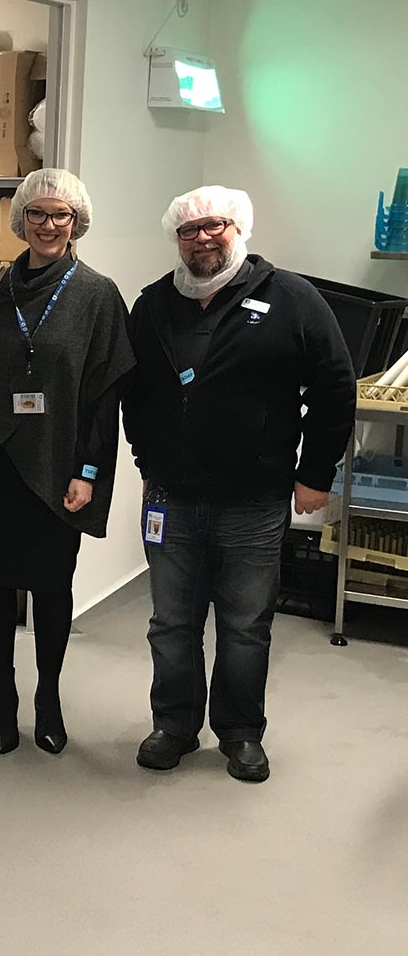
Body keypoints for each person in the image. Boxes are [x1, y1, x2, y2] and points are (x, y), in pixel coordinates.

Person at [124, 186, 354, 783]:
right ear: (175, 238)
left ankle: (241, 733)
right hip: (170, 497)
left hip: (254, 498)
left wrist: (315, 474)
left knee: (246, 623)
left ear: (240, 229)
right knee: (171, 622)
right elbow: (133, 391)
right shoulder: (152, 305)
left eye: (215, 225)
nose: (202, 237)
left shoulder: (292, 298)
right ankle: (174, 725)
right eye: (189, 229)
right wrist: (145, 455)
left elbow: (335, 387)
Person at [0, 168, 135, 756]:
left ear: (76, 221)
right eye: (35, 213)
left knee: (51, 586)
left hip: (59, 466)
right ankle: (3, 697)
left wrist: (89, 473)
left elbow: (103, 395)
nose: (47, 224)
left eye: (60, 214)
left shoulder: (96, 294)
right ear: (20, 221)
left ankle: (49, 698)